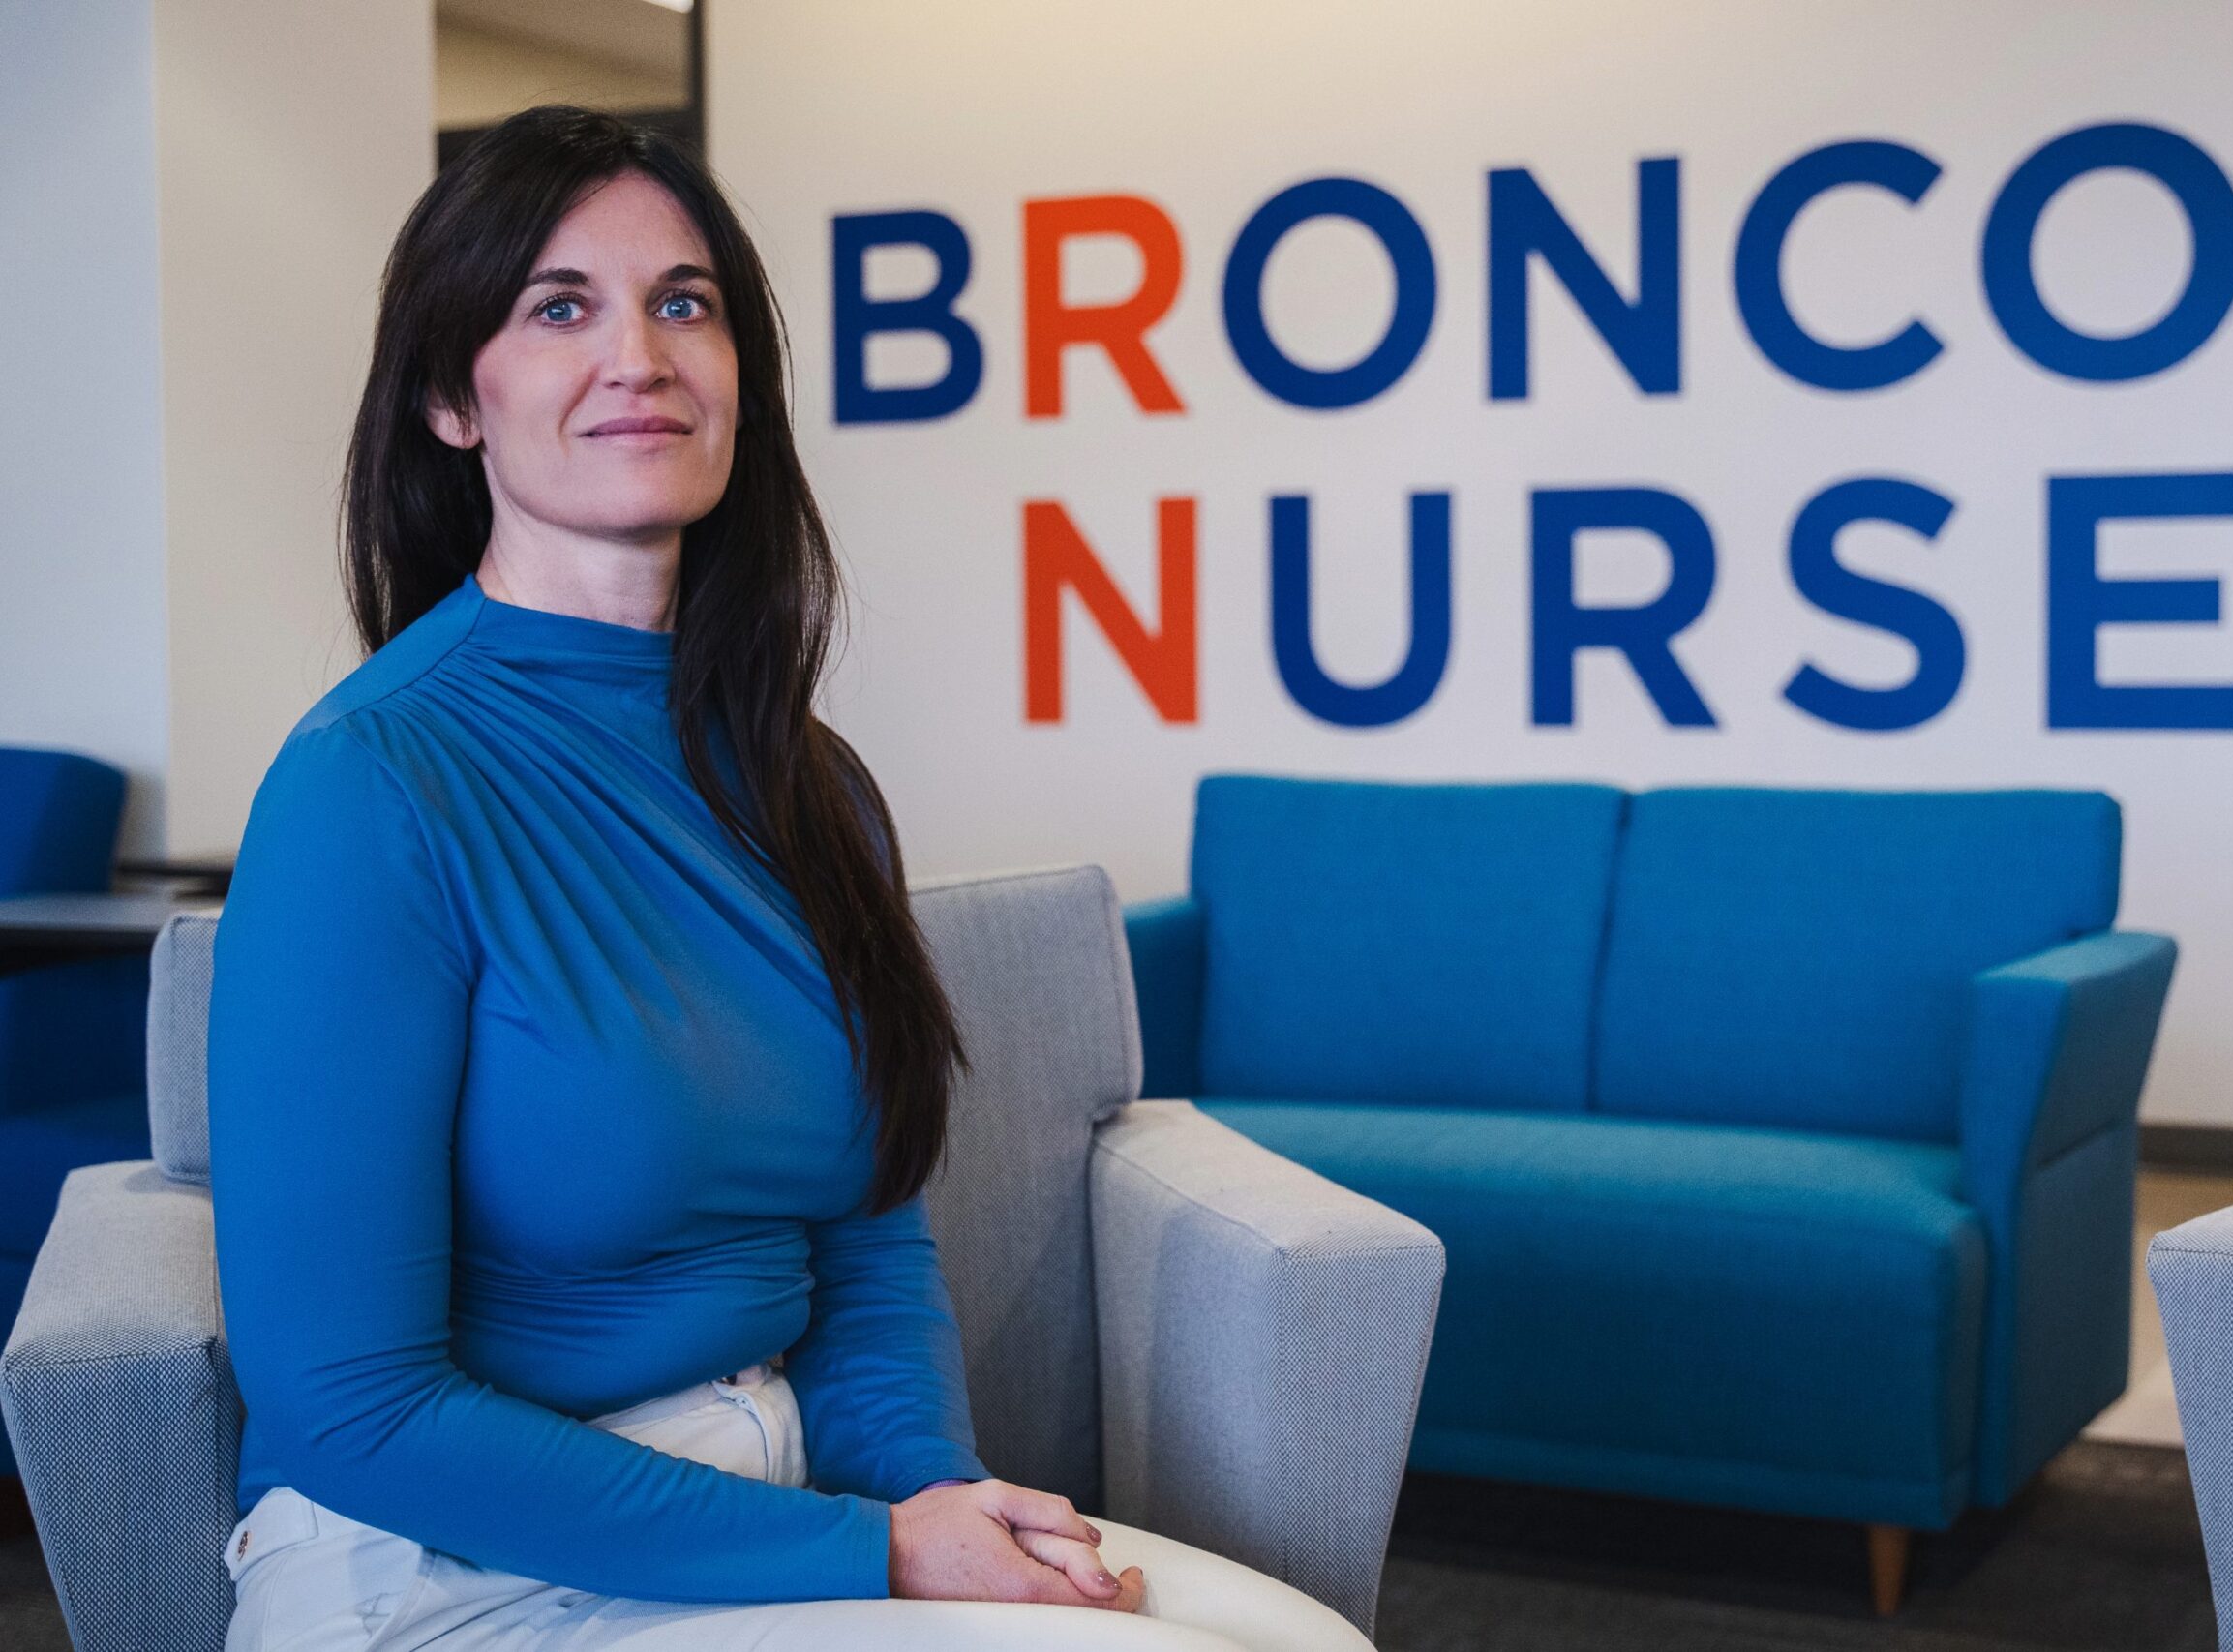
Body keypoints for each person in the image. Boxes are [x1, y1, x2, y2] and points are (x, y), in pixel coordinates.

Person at [206, 104, 1371, 1652]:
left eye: (683, 303)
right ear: (449, 398)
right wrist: (869, 1554)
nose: (642, 354)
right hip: (452, 1566)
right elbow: (351, 1408)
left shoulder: (813, 787)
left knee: (1307, 1643)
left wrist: (941, 1508)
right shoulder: (372, 789)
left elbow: (864, 1242)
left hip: (777, 1499)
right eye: (561, 308)